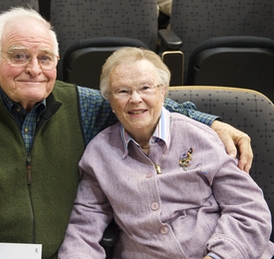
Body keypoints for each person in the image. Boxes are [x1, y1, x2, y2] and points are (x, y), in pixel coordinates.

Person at [0, 7, 252, 259]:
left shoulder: (81, 104)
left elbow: (139, 105)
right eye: (19, 56)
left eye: (45, 58)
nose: (34, 69)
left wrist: (210, 122)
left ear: (56, 64)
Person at [58, 47, 274, 258]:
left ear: (162, 92)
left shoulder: (201, 136)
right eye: (122, 91)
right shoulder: (99, 154)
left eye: (145, 88)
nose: (135, 99)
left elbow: (248, 210)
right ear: (110, 101)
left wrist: (220, 255)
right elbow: (84, 226)